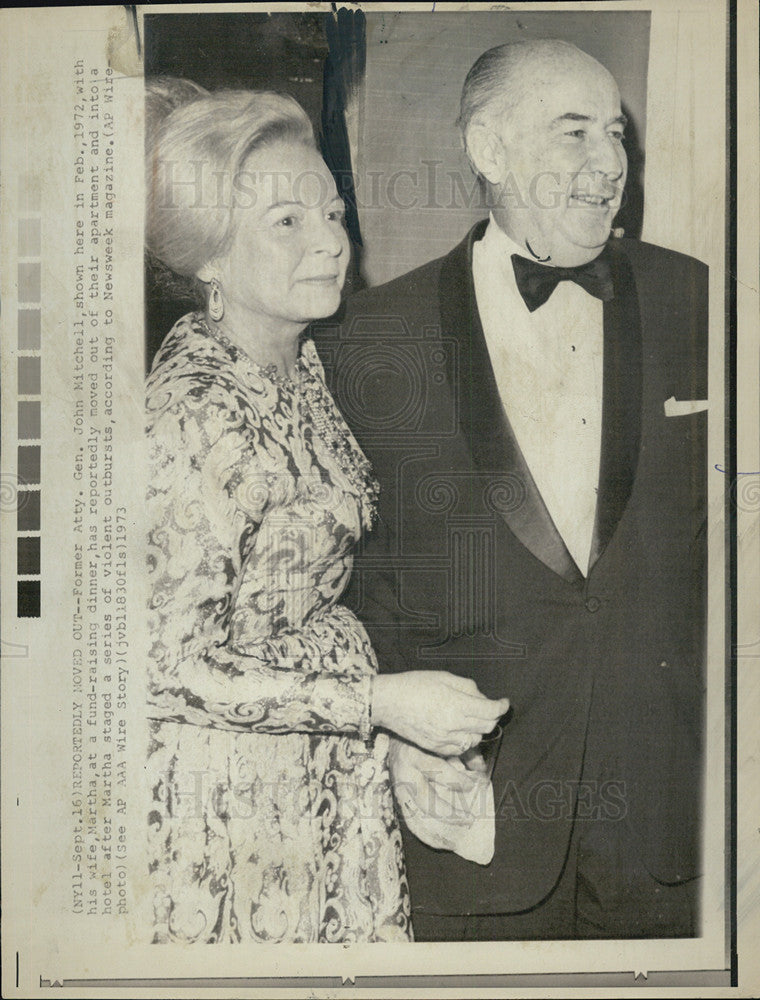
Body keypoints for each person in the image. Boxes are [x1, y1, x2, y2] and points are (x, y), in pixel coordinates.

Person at [324, 40, 708, 939]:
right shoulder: (366, 339)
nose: (609, 163)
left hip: (667, 830)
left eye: (615, 134)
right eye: (573, 134)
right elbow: (346, 582)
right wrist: (389, 735)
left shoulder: (700, 299)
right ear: (488, 150)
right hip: (472, 832)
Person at [144, 80, 508, 944]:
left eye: (334, 215)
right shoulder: (189, 412)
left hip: (318, 775)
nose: (332, 245)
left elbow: (296, 594)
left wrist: (388, 735)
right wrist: (374, 703)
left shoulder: (297, 363)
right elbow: (160, 668)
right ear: (208, 256)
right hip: (226, 800)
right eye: (287, 224)